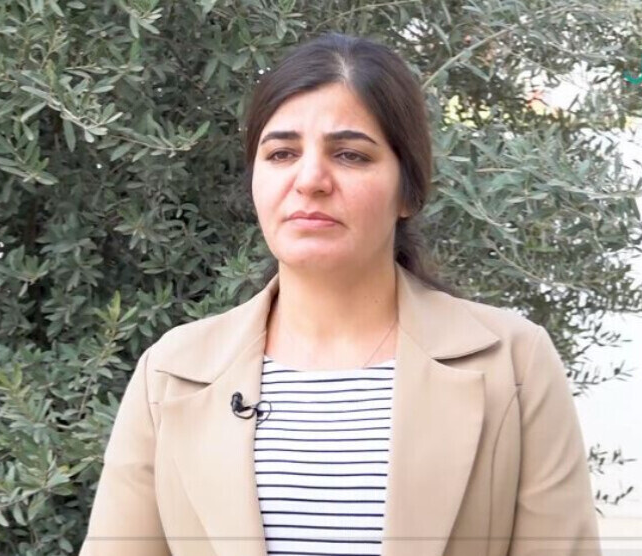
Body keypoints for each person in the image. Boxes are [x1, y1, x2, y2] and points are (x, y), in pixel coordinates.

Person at [78, 32, 601, 556]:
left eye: (350, 155)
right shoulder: (172, 372)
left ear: (409, 190)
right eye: (281, 153)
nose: (310, 180)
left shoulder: (513, 363)